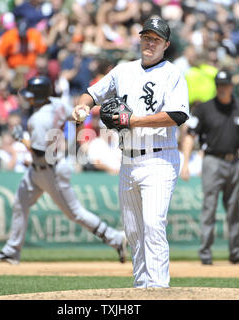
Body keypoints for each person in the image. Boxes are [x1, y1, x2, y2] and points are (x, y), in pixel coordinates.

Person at [73, 18, 190, 288]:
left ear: (166, 45)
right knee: (134, 231)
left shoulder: (172, 73)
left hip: (160, 157)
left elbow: (177, 114)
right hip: (128, 159)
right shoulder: (123, 71)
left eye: (156, 39)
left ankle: (159, 288)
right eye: (146, 37)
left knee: (152, 224)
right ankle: (141, 288)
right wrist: (81, 107)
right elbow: (91, 94)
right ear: (140, 39)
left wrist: (133, 121)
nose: (150, 43)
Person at [0, 75, 127, 265]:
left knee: (75, 213)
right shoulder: (56, 103)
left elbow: (38, 152)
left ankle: (115, 239)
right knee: (19, 204)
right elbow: (78, 115)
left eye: (30, 95)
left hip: (50, 170)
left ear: (37, 96)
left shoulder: (39, 119)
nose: (26, 98)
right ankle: (12, 251)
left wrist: (21, 139)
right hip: (39, 170)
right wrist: (78, 133)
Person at [181, 69, 239, 266]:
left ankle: (236, 251)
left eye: (225, 85)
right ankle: (205, 252)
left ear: (231, 86)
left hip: (234, 161)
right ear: (216, 87)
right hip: (212, 160)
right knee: (209, 207)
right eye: (219, 85)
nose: (222, 88)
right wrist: (185, 163)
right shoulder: (204, 108)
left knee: (234, 208)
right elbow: (190, 134)